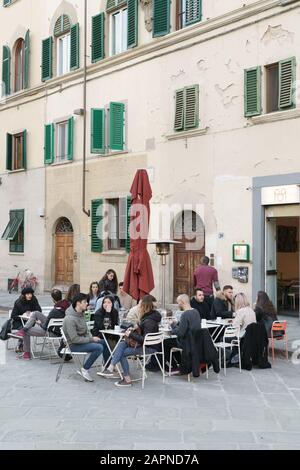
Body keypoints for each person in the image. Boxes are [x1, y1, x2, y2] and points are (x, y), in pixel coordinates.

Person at [97, 295, 161, 386]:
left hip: (148, 347)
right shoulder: (150, 317)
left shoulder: (149, 321)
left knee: (122, 353)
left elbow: (144, 340)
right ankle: (112, 365)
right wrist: (135, 328)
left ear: (145, 306)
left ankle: (126, 379)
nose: (139, 307)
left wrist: (130, 334)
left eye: (141, 305)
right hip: (143, 345)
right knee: (123, 344)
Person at [168, 295, 219, 376]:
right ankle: (180, 364)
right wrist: (178, 324)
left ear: (182, 302)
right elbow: (189, 327)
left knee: (166, 343)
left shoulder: (185, 314)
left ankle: (176, 367)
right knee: (170, 342)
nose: (178, 305)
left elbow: (181, 333)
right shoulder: (196, 311)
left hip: (187, 343)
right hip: (196, 342)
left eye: (178, 303)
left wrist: (172, 325)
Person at [10, 289, 68, 360]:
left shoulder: (54, 311)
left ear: (53, 299)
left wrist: (39, 323)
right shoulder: (66, 306)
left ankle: (26, 353)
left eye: (30, 294)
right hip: (60, 330)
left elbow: (45, 327)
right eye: (28, 294)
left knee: (26, 331)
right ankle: (23, 330)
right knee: (36, 313)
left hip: (51, 332)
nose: (29, 296)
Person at [63, 293, 104, 382]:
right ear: (78, 303)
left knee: (103, 342)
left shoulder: (80, 314)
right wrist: (91, 339)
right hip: (73, 345)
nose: (87, 304)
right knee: (99, 347)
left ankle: (107, 366)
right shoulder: (69, 319)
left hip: (83, 341)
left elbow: (86, 330)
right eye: (85, 302)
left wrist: (92, 338)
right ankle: (85, 369)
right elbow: (74, 339)